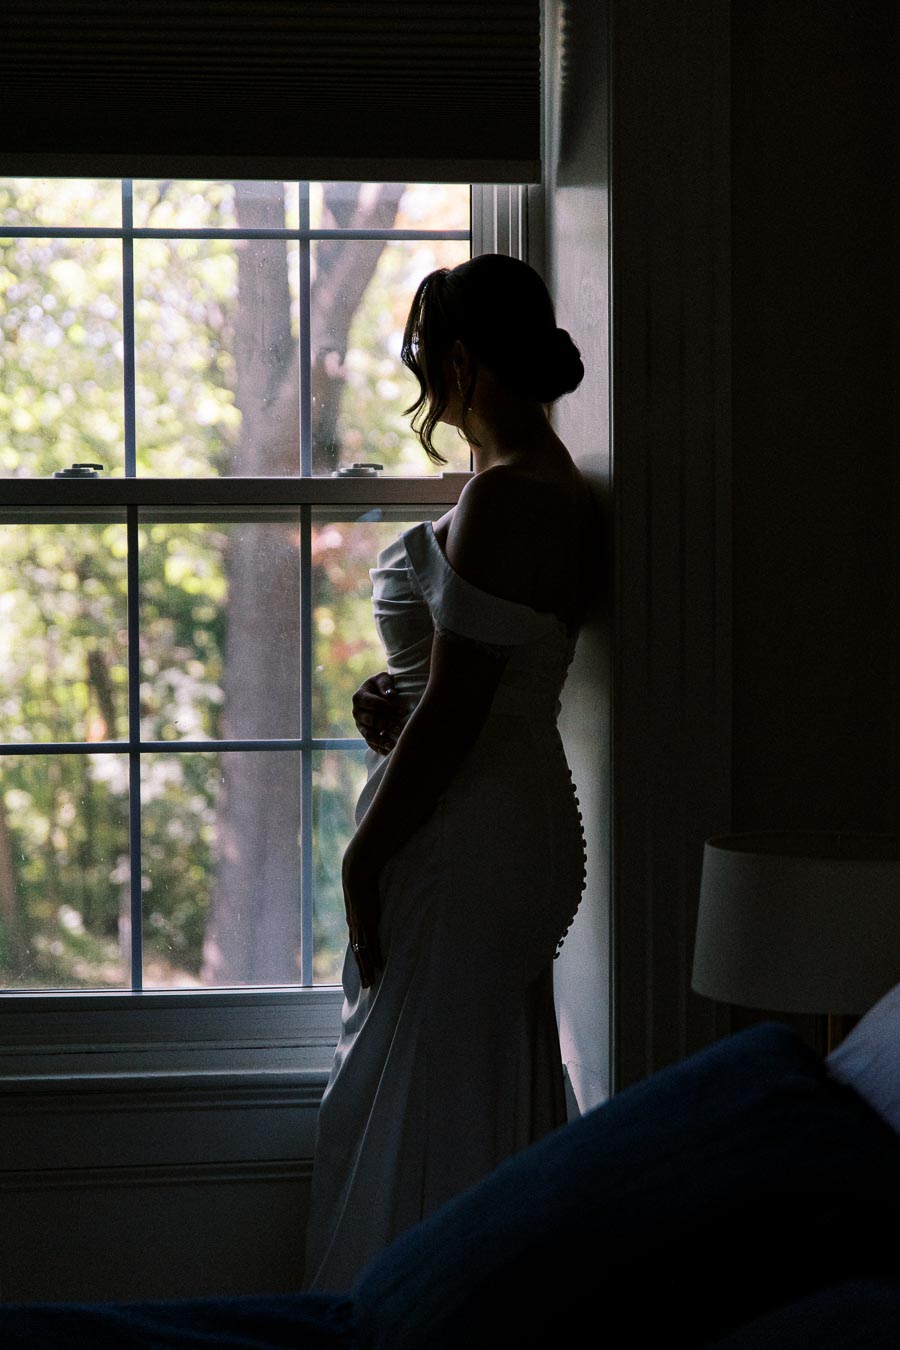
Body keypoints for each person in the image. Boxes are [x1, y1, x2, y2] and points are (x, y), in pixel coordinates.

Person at [304, 253, 597, 1291]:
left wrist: (359, 860)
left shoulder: (513, 495)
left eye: (430, 360)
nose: (427, 385)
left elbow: (462, 715)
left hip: (467, 831)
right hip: (493, 813)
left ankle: (420, 1307)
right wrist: (398, 695)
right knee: (450, 1089)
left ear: (466, 361)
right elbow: (464, 684)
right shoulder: (523, 484)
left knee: (419, 1100)